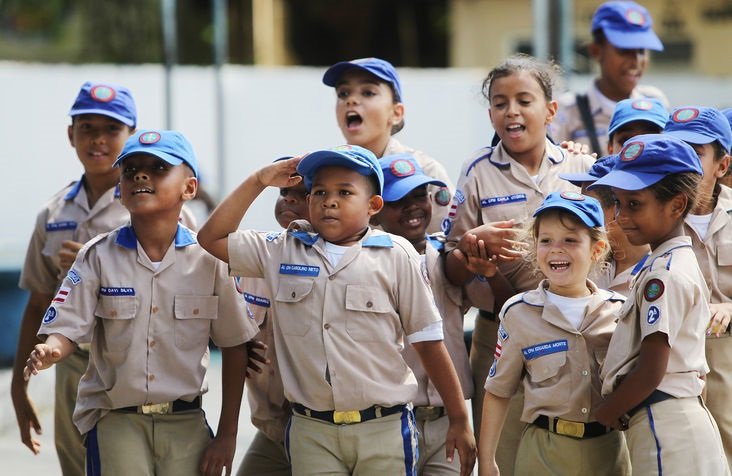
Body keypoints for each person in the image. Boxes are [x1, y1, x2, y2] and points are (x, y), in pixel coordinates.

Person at [198, 145, 477, 476]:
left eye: (345, 192)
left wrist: (459, 419)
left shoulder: (396, 256)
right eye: (319, 192)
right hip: (312, 431)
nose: (329, 200)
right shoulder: (282, 250)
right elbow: (211, 237)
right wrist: (259, 180)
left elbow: (429, 342)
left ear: (374, 205)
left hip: (383, 429)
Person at [23, 130, 259, 476]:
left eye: (158, 167)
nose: (140, 175)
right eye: (130, 169)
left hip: (186, 423)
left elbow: (236, 346)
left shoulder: (209, 261)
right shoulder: (97, 256)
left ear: (189, 188)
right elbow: (67, 328)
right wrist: (51, 350)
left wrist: (227, 435)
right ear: (120, 188)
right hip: (117, 422)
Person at [442, 53, 594, 475]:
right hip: (499, 330)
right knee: (502, 455)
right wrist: (472, 246)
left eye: (524, 100)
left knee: (576, 444)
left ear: (549, 111)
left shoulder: (583, 168)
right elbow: (448, 264)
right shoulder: (476, 172)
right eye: (499, 102)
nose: (511, 111)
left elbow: (610, 247)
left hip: (575, 328)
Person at [10, 81, 137, 475]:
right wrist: (18, 387)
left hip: (134, 367)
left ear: (131, 135)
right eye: (87, 128)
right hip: (74, 369)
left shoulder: (155, 205)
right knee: (77, 467)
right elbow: (37, 303)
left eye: (111, 130)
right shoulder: (53, 214)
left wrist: (95, 263)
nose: (98, 140)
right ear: (71, 135)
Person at [591, 134, 729, 475]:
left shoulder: (663, 275)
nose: (621, 216)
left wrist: (606, 412)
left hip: (666, 423)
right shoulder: (667, 261)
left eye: (635, 204)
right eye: (618, 203)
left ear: (677, 205)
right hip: (674, 419)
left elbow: (652, 370)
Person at [479, 192, 630, 476]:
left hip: (609, 451)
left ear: (596, 250)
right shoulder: (519, 313)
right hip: (544, 454)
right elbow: (498, 392)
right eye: (546, 240)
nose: (556, 249)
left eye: (570, 240)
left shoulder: (620, 311)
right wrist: (487, 461)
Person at [371, 153, 481, 475]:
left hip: (449, 420)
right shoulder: (368, 265)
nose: (413, 207)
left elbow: (493, 305)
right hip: (392, 422)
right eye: (398, 200)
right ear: (376, 209)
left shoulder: (447, 260)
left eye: (420, 196)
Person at [663, 106, 732, 469]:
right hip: (671, 371)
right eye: (676, 150)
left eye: (696, 152)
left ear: (722, 166)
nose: (684, 162)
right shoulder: (652, 218)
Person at [322, 57, 454, 233]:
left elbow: (447, 241)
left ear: (396, 113)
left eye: (368, 92)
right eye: (343, 93)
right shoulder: (325, 173)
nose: (351, 100)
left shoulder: (425, 171)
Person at [236, 157, 307, 476]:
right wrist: (259, 179)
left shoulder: (332, 261)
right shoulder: (257, 257)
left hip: (316, 426)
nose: (290, 198)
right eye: (283, 192)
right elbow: (210, 237)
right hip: (272, 429)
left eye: (303, 192)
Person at [549, 1, 667, 155]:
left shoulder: (654, 101)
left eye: (641, 51)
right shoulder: (568, 110)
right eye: (625, 50)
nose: (636, 61)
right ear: (596, 51)